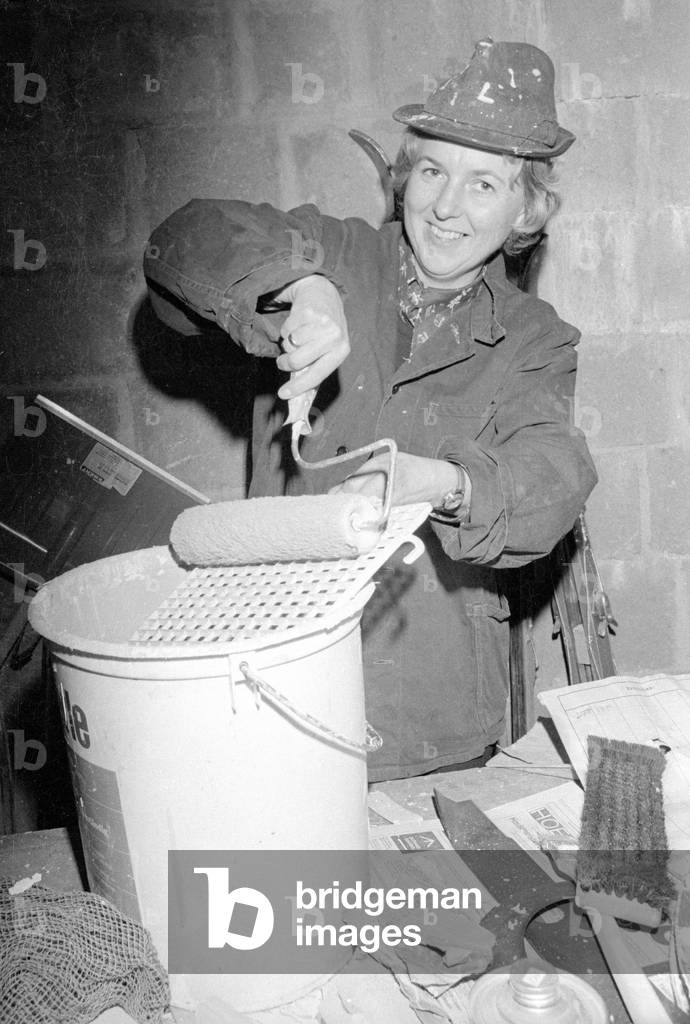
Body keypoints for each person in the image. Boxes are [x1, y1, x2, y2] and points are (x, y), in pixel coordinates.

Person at [144, 38, 597, 783]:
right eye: (431, 171)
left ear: (527, 210)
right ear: (403, 177)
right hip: (279, 679)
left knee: (431, 899)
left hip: (436, 715)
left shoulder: (536, 339)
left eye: (485, 184)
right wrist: (302, 286)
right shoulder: (332, 250)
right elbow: (179, 243)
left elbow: (553, 473)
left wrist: (446, 484)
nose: (447, 206)